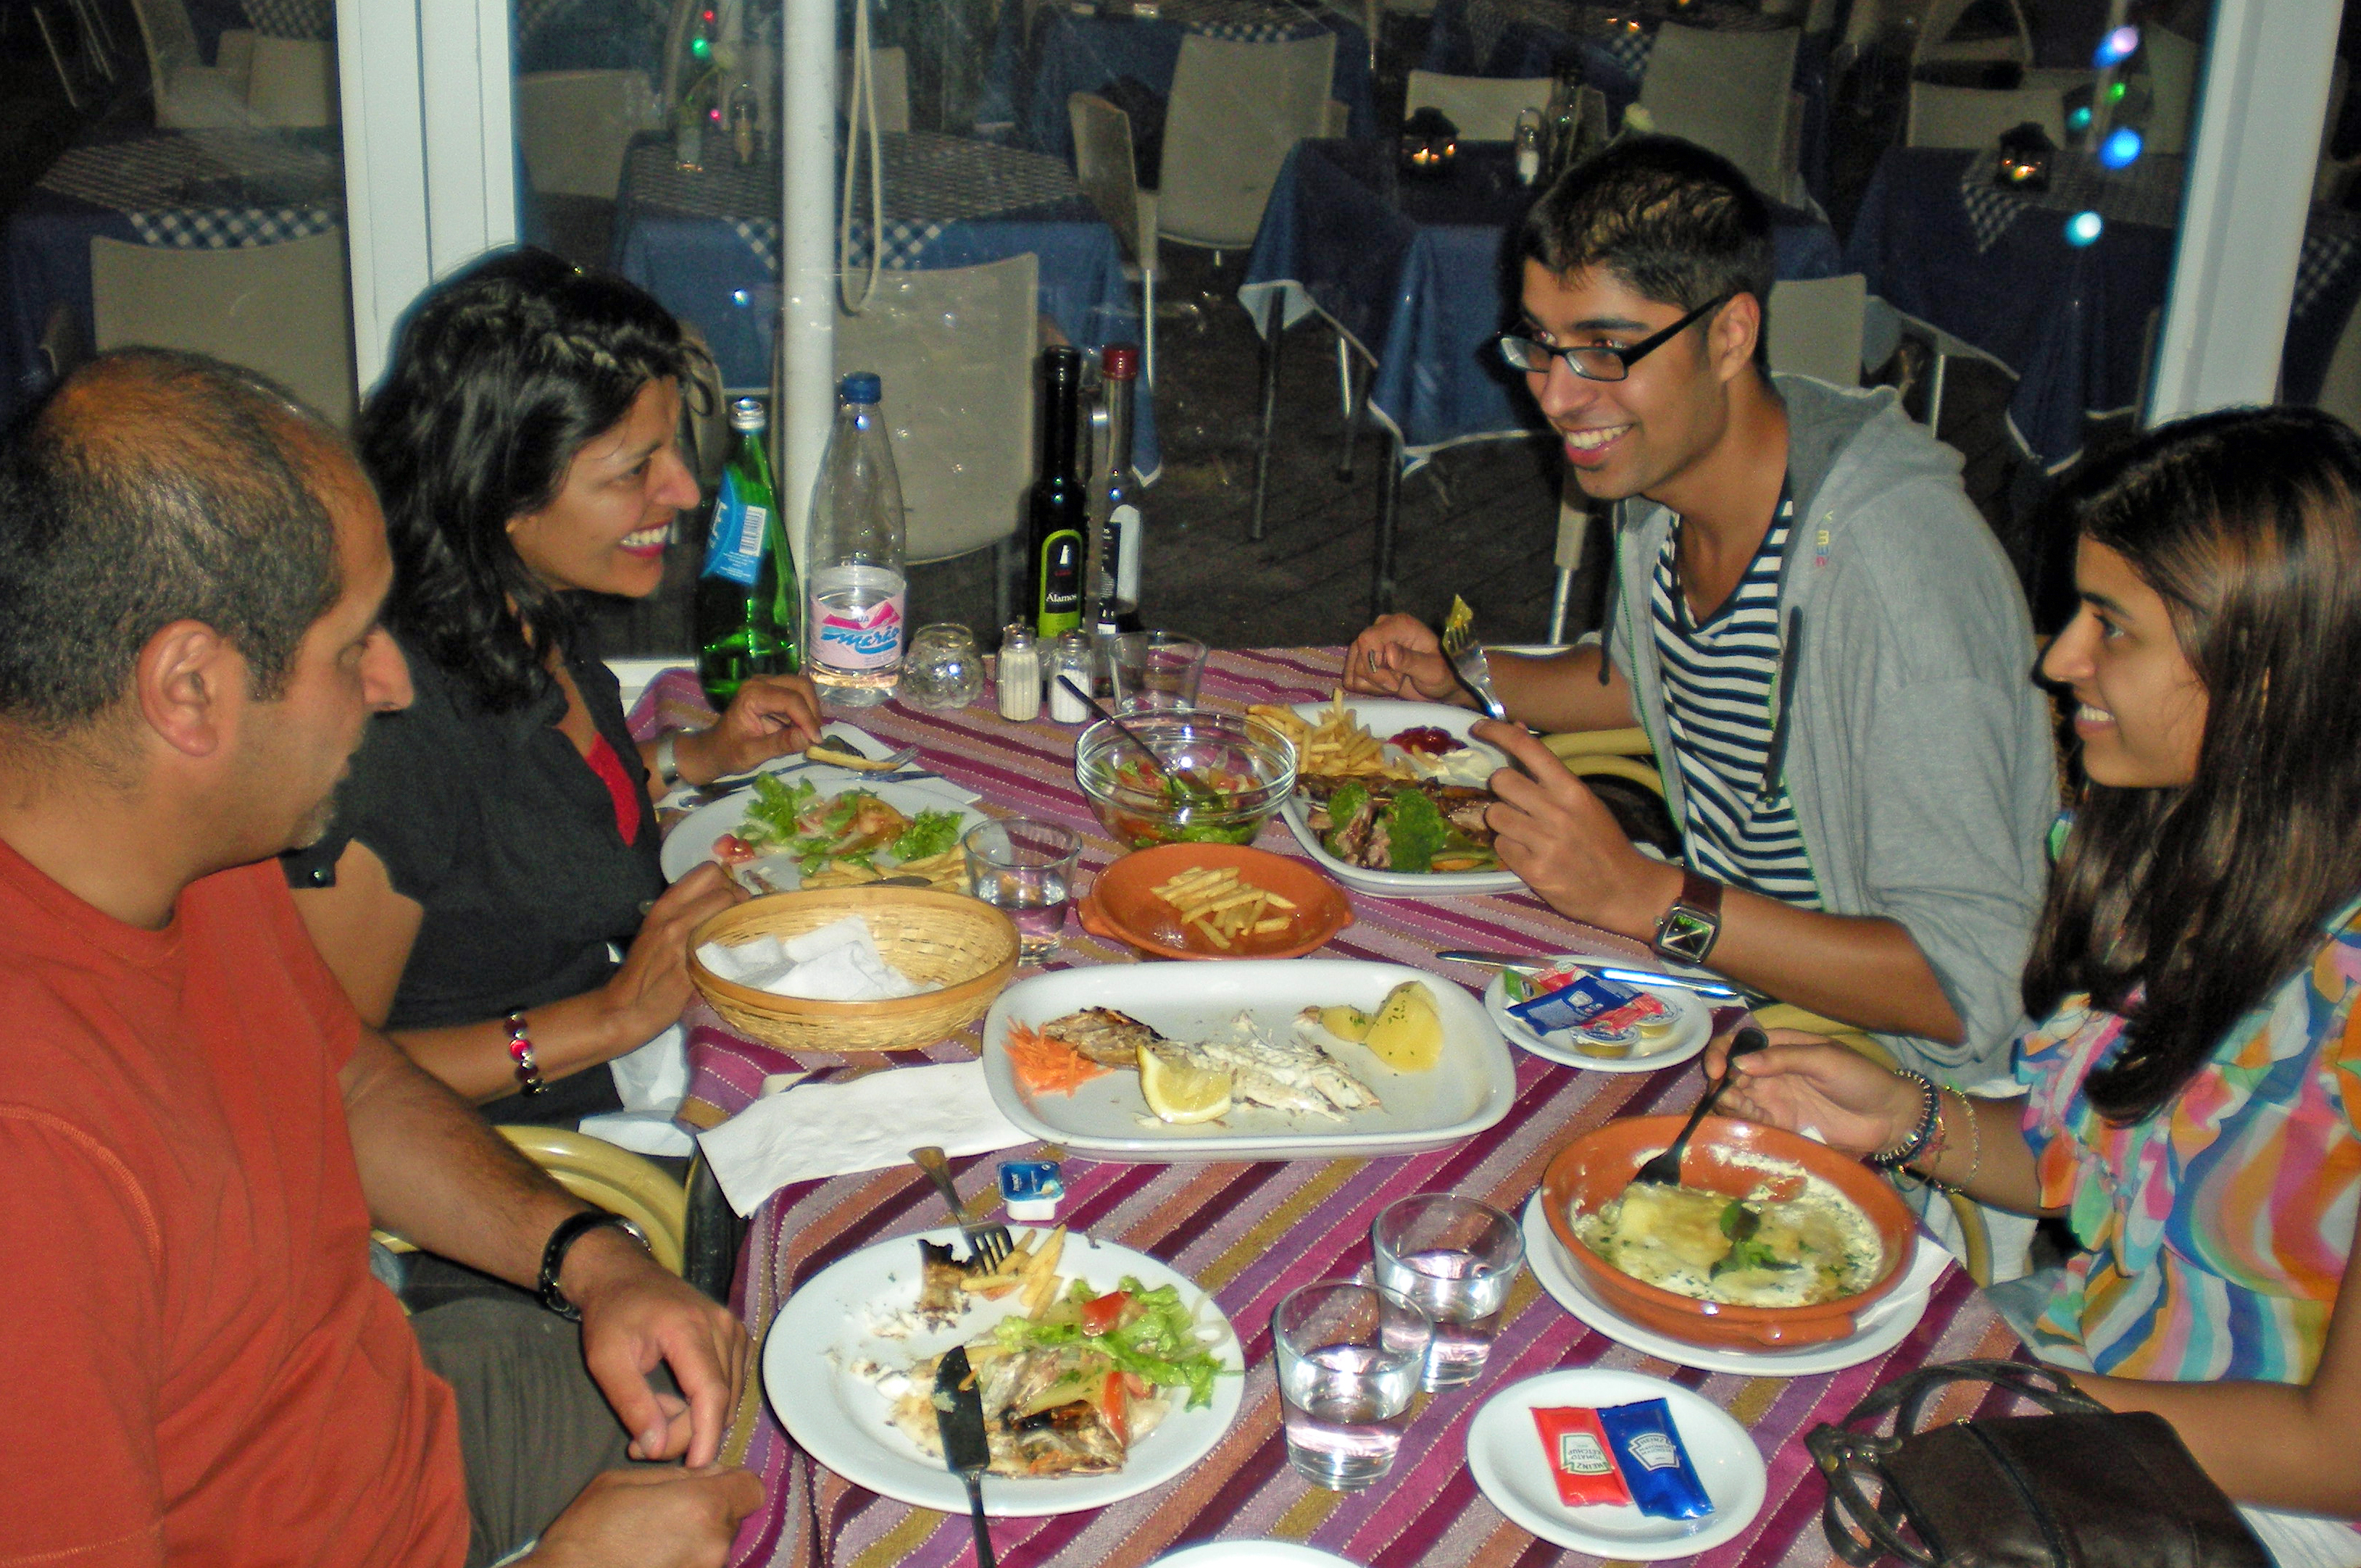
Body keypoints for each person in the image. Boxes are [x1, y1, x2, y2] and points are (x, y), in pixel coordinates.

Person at [0, 349, 761, 1564]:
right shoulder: (34, 1151)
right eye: (352, 641)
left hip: (410, 1417)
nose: (395, 683)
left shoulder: (206, 850)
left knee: (891, 1383)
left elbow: (344, 1079)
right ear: (190, 688)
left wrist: (591, 1258)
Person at [1707, 407, 2361, 1525]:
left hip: (2247, 1506)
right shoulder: (2174, 849)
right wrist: (1904, 1117)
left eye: (2112, 627)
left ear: (2261, 671)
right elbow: (2093, 1169)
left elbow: (2333, 1455)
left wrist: (1983, 1411)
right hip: (2070, 1366)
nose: (2056, 659)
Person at [1346, 135, 2056, 1082]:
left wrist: (1646, 897)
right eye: (1539, 347)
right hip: (1710, 987)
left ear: (1728, 336)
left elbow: (1967, 981)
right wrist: (1467, 670)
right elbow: (1644, 682)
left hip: (1877, 1081)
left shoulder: (1894, 575)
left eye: (1604, 350)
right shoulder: (1662, 480)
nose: (1557, 397)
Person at [283, 249, 823, 1127]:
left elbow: (529, 822)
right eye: (631, 471)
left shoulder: (525, 612)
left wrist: (699, 755)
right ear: (497, 489)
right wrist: (606, 1019)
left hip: (643, 1056)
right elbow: (318, 1078)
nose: (683, 491)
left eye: (672, 453)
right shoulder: (389, 727)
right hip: (533, 1152)